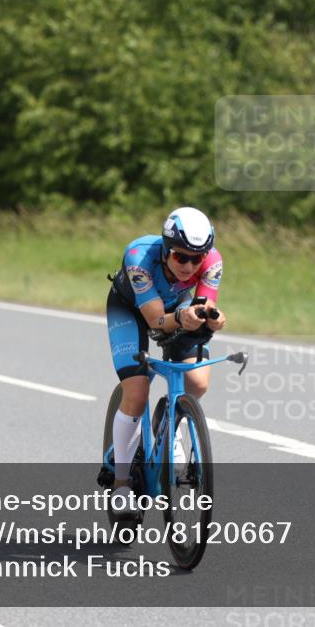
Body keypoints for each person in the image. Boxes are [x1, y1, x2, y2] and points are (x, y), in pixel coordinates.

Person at [106, 207, 226, 514]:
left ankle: (168, 428)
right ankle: (120, 483)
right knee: (137, 391)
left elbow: (203, 304)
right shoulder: (139, 257)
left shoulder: (212, 261)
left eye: (196, 259)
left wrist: (212, 319)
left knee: (197, 380)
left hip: (178, 308)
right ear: (165, 249)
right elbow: (156, 319)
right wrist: (183, 317)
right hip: (133, 309)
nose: (188, 265)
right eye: (180, 257)